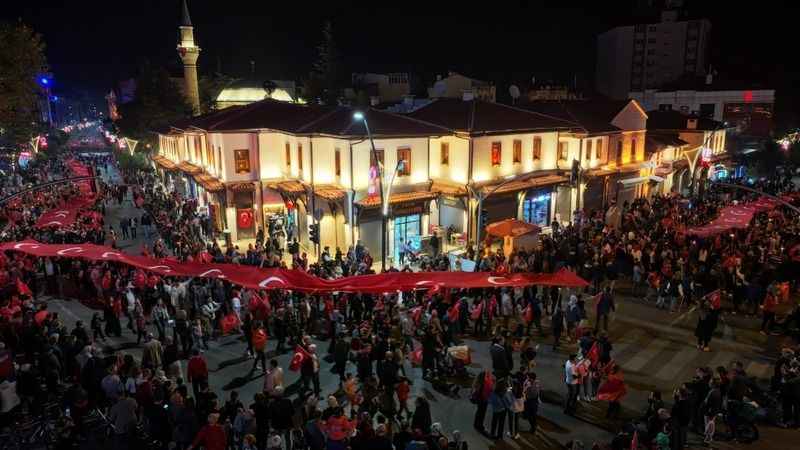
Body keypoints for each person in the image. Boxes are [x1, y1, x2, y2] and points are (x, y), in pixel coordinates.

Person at [472, 369, 495, 435]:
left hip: (479, 400)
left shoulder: (478, 382)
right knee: (482, 413)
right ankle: (480, 426)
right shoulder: (485, 383)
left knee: (479, 412)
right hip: (483, 400)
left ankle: (476, 424)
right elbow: (489, 391)